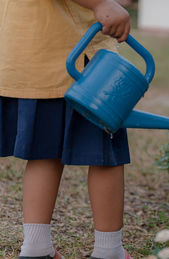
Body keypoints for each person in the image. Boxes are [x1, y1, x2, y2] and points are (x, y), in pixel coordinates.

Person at [0, 0, 133, 258]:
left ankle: (36, 248)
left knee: (42, 152)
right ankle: (109, 251)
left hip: (31, 51)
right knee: (106, 151)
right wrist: (101, 4)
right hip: (77, 52)